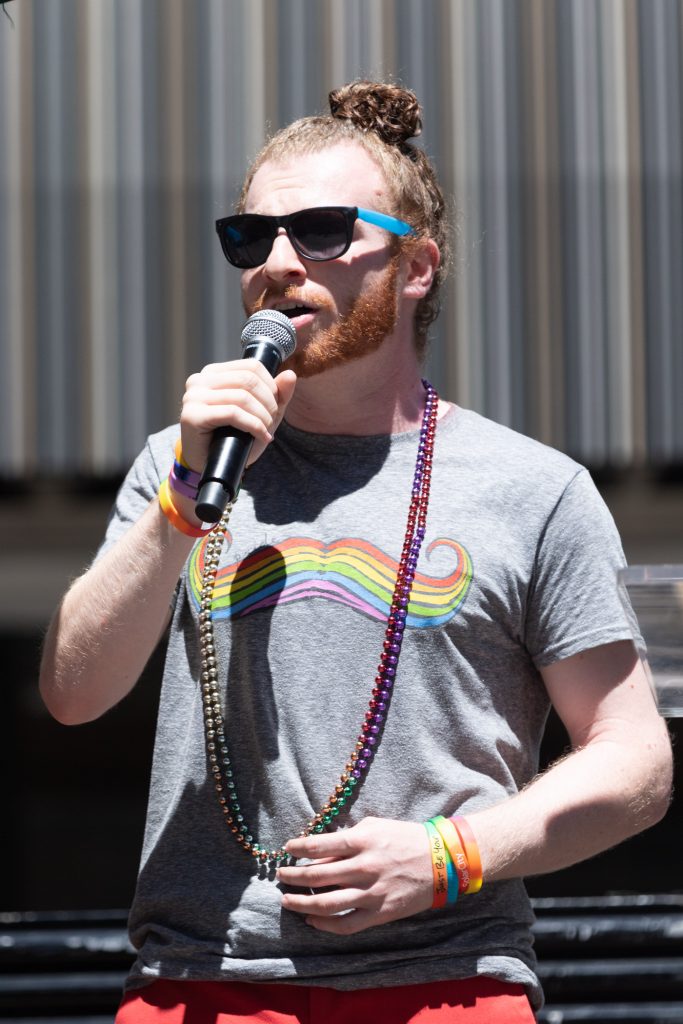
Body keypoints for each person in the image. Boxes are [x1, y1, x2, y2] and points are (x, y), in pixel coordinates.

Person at [39, 81, 672, 1023]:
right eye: (251, 237)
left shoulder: (535, 489)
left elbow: (635, 763)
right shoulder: (180, 464)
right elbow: (73, 693)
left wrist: (453, 856)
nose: (278, 263)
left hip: (447, 981)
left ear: (415, 266)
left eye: (322, 232)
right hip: (199, 982)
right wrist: (181, 499)